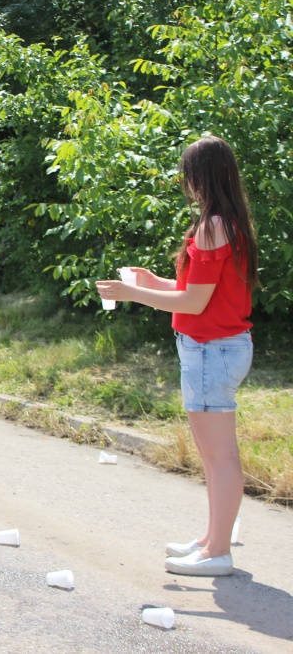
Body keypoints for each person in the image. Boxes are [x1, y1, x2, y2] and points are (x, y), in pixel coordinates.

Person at [97, 136, 257, 578]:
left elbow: (193, 304)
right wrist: (153, 282)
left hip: (210, 349)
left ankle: (218, 552)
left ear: (200, 177)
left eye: (188, 174)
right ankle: (210, 541)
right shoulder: (230, 223)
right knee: (213, 455)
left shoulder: (211, 227)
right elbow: (199, 293)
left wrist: (132, 293)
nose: (185, 183)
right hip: (221, 347)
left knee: (219, 457)